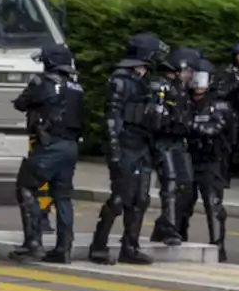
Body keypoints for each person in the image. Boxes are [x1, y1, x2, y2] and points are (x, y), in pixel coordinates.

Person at [89, 33, 164, 266]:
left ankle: (130, 246)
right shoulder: (120, 80)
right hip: (125, 146)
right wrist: (114, 150)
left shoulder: (145, 82)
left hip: (141, 146)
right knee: (120, 198)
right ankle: (98, 245)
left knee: (141, 199)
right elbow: (113, 117)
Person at [10, 43, 84, 264]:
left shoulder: (41, 82)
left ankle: (33, 244)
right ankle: (64, 248)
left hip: (48, 146)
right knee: (63, 197)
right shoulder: (76, 86)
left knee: (26, 188)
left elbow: (22, 103)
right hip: (70, 147)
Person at [183, 59, 230, 261]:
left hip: (211, 161)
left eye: (201, 79)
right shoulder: (184, 101)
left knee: (213, 204)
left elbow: (215, 129)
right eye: (194, 79)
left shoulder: (218, 104)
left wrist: (191, 126)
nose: (197, 85)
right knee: (183, 203)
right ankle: (178, 238)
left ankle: (218, 247)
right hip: (189, 158)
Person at [149, 47, 196, 247]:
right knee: (170, 183)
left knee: (186, 185)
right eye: (188, 71)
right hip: (164, 141)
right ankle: (168, 228)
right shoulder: (161, 86)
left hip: (178, 142)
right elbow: (157, 119)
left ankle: (165, 225)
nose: (190, 76)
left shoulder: (182, 90)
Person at [215, 42, 239, 191]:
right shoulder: (229, 72)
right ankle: (225, 177)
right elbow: (222, 93)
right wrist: (236, 84)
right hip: (233, 112)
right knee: (230, 147)